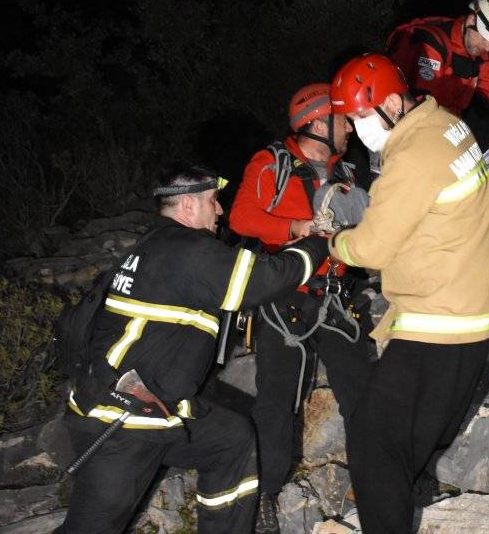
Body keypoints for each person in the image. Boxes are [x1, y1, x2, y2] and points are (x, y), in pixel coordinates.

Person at [61, 163, 329, 534]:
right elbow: (261, 280)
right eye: (212, 200)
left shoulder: (157, 244)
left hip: (157, 404)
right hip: (121, 420)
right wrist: (318, 242)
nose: (219, 210)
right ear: (188, 206)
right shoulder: (186, 249)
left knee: (230, 440)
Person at [327, 53, 489, 533]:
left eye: (362, 117)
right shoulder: (444, 124)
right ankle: (411, 496)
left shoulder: (412, 155)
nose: (359, 129)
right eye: (352, 121)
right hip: (468, 307)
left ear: (389, 103)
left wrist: (333, 242)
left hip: (438, 320)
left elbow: (373, 247)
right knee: (415, 433)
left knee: (371, 440)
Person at [227, 83, 372, 534]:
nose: (349, 125)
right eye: (342, 118)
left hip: (336, 295)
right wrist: (298, 225)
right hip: (283, 297)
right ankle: (266, 493)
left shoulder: (347, 168)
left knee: (362, 392)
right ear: (315, 122)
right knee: (276, 399)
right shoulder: (271, 163)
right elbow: (240, 218)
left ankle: (376, 479)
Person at [386, 0, 489, 137]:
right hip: (399, 129)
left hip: (440, 127)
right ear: (471, 21)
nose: (488, 48)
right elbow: (422, 109)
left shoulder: (478, 58)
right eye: (485, 39)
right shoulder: (432, 45)